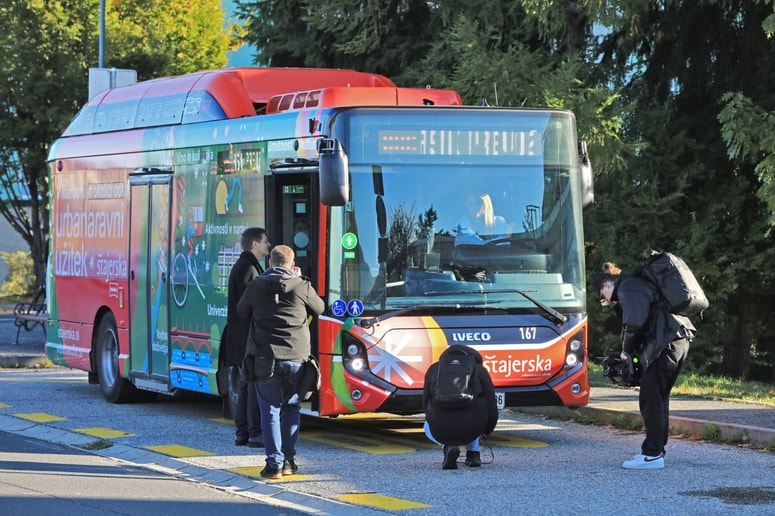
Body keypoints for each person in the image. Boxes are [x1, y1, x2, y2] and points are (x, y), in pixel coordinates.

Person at [593, 261, 696, 470]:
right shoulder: (638, 284)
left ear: (605, 286)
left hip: (666, 342)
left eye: (602, 296)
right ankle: (656, 450)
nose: (606, 300)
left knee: (650, 398)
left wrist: (626, 351)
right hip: (677, 338)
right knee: (658, 397)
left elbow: (635, 323)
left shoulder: (628, 287)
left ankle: (652, 454)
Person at [237, 245, 326, 479]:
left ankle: (274, 464)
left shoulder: (257, 285)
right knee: (292, 408)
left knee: (270, 411)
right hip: (297, 357)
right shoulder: (302, 286)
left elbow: (241, 311)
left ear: (270, 263)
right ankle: (288, 460)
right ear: (292, 262)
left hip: (266, 358)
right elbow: (320, 308)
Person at [226, 227, 271, 448]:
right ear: (254, 244)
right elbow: (249, 305)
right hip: (247, 337)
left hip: (243, 336)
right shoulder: (248, 268)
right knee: (251, 385)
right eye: (264, 241)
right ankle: (253, 433)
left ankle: (243, 433)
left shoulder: (246, 265)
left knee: (246, 385)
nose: (268, 245)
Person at [423, 345, 499, 470]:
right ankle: (473, 454)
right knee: (476, 413)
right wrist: (487, 429)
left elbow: (425, 402)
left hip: (440, 427)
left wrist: (432, 418)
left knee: (426, 426)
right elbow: (491, 402)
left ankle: (448, 447)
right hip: (473, 427)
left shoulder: (434, 369)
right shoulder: (480, 370)